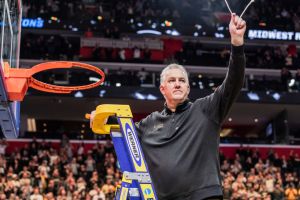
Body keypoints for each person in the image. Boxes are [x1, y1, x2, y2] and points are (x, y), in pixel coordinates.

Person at [90, 13, 246, 200]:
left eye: (182, 80)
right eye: (172, 81)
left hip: (204, 196)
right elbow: (125, 128)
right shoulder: (150, 122)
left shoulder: (206, 109)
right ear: (163, 88)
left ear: (188, 87)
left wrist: (237, 44)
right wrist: (101, 117)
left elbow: (233, 82)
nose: (178, 84)